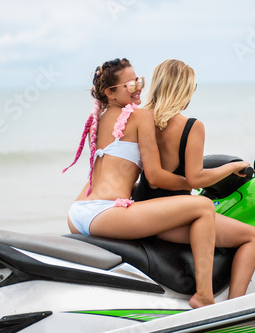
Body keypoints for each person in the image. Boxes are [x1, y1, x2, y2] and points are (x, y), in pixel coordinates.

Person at [63, 58, 217, 308]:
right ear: (110, 92)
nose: (138, 87)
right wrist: (191, 182)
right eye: (130, 84)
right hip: (104, 212)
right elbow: (155, 176)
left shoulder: (99, 118)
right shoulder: (140, 116)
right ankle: (205, 296)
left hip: (77, 211)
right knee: (203, 207)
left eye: (139, 81)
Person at [132, 59, 255, 299]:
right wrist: (232, 167)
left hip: (141, 213)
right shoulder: (192, 126)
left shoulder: (138, 119)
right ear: (184, 90)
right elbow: (197, 178)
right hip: (171, 220)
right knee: (252, 236)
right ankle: (233, 308)